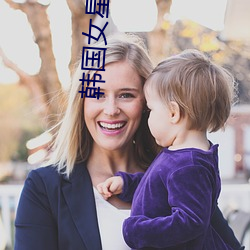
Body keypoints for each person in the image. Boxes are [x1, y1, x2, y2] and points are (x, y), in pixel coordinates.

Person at [14, 35, 243, 250]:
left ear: (148, 103)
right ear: (81, 102)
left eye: (126, 95)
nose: (111, 110)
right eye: (98, 94)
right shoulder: (44, 187)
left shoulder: (179, 171)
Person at [97, 49, 243, 249]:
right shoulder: (183, 157)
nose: (148, 117)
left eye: (151, 109)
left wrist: (138, 230)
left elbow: (190, 222)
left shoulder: (188, 166)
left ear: (173, 113)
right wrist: (128, 184)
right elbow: (159, 188)